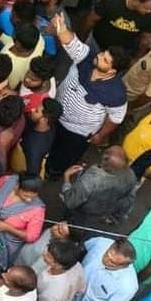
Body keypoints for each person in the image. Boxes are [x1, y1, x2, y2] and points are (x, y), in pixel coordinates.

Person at [45, 12, 130, 178]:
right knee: (48, 142)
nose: (99, 56)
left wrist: (100, 135)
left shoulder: (116, 94)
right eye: (102, 54)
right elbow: (71, 42)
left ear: (112, 71)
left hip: (77, 131)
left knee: (64, 155)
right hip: (55, 114)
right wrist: (61, 27)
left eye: (105, 59)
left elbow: (116, 118)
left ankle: (54, 173)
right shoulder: (86, 57)